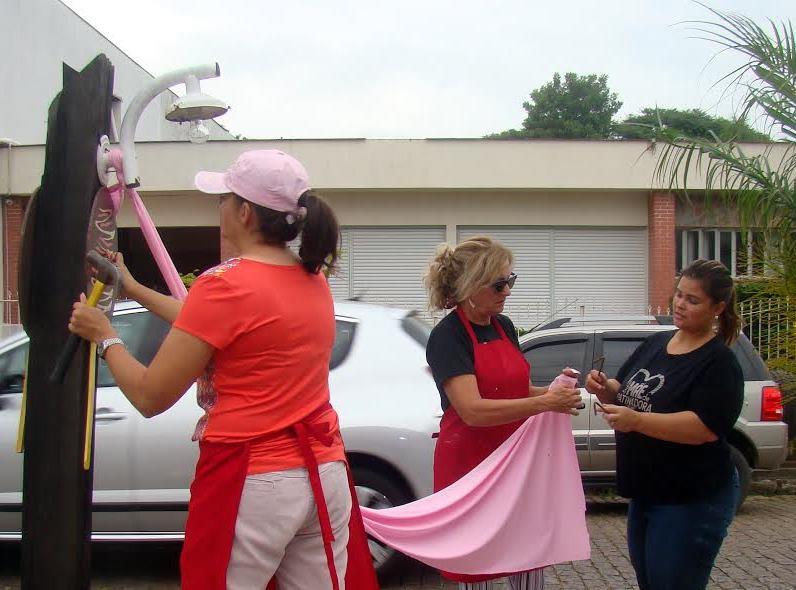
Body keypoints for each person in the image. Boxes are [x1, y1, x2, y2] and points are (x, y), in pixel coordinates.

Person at [68, 149, 378, 590]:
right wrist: (134, 288)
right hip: (323, 473)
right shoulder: (312, 279)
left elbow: (151, 396)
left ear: (245, 213)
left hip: (254, 479)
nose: (220, 208)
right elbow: (215, 325)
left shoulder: (225, 285)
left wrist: (105, 337)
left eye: (224, 199)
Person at [423, 236, 583, 590]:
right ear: (470, 286)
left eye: (511, 280)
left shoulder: (503, 325)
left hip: (514, 461)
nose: (507, 290)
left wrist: (557, 393)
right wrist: (544, 403)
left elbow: (515, 391)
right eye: (499, 283)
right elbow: (473, 410)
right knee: (476, 563)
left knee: (527, 552)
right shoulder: (448, 336)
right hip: (471, 466)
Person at [585, 259, 744, 590]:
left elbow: (703, 427)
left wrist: (637, 421)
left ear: (718, 307)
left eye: (693, 300)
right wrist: (606, 388)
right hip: (647, 492)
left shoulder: (719, 363)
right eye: (679, 294)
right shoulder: (657, 343)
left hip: (690, 499)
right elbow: (625, 389)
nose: (680, 304)